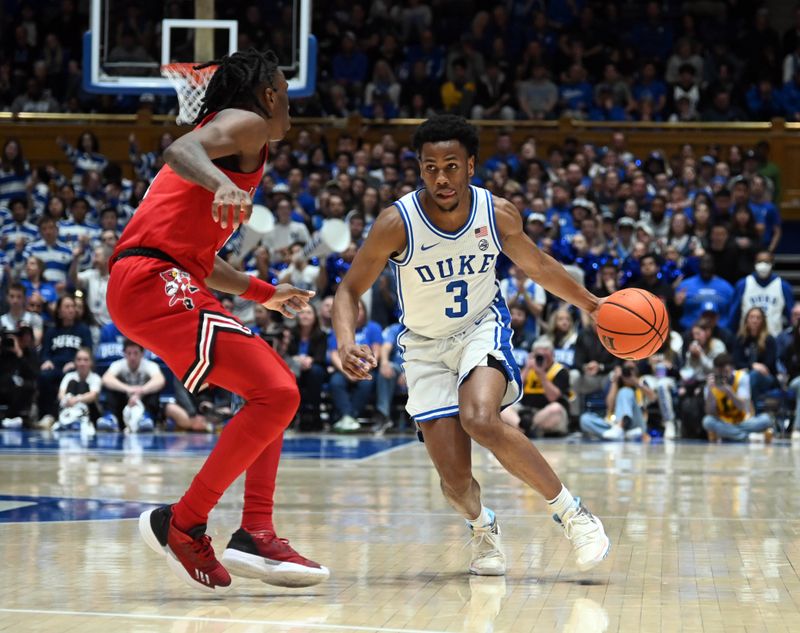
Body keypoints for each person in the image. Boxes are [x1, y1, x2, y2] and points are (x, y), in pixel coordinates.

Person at [332, 115, 610, 577]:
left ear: (471, 166)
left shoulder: (496, 213)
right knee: (455, 482)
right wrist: (345, 343)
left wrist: (592, 305)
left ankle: (572, 513)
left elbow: (538, 266)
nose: (442, 177)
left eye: (452, 166)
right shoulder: (394, 223)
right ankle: (483, 527)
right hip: (423, 347)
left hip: (481, 326)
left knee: (480, 418)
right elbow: (347, 291)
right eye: (431, 167)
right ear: (419, 170)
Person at [106, 49, 328, 592]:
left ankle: (255, 530)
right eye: (284, 84)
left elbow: (203, 264)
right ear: (270, 93)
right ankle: (184, 522)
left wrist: (265, 292)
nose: (289, 97)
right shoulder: (247, 124)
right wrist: (224, 184)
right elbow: (179, 148)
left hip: (161, 278)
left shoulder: (241, 140)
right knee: (278, 393)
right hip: (152, 280)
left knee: (272, 389)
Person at [702, 353, 773, 442]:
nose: (723, 375)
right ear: (715, 371)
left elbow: (742, 406)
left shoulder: (742, 377)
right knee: (707, 421)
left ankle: (730, 434)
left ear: (732, 369)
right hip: (724, 421)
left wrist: (729, 391)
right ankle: (747, 437)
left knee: (766, 419)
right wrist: (710, 392)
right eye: (720, 372)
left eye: (726, 371)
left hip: (743, 421)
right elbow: (710, 412)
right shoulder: (711, 384)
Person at [579, 362, 655, 441]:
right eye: (625, 369)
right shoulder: (616, 383)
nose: (628, 372)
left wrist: (635, 381)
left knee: (625, 391)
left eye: (631, 369)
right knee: (584, 419)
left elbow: (653, 397)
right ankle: (624, 433)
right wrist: (615, 381)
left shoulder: (641, 381)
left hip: (637, 423)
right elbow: (610, 407)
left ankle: (619, 429)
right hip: (615, 423)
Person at [729, 250, 794, 337]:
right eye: (760, 261)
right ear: (754, 263)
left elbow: (791, 317)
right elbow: (734, 315)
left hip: (774, 339)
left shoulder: (783, 286)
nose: (763, 265)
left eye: (766, 262)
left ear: (772, 263)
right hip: (747, 339)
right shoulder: (743, 284)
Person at [54, 346, 101, 434]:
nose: (82, 363)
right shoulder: (69, 376)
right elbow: (61, 394)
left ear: (91, 362)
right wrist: (67, 400)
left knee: (83, 384)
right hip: (69, 407)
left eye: (85, 360)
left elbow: (93, 395)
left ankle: (81, 419)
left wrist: (76, 400)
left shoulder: (95, 378)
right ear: (75, 362)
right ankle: (69, 419)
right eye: (79, 360)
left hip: (89, 412)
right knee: (72, 382)